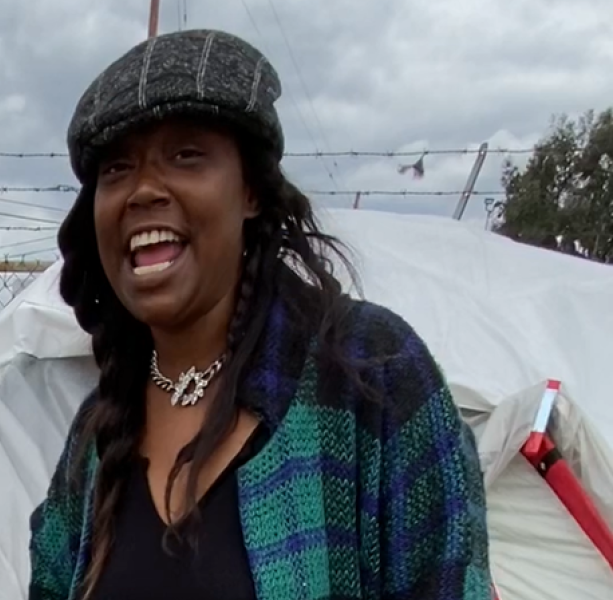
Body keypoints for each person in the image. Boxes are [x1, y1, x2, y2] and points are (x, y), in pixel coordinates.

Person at [28, 29, 492, 600]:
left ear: (250, 191)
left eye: (186, 155)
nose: (144, 190)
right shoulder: (98, 433)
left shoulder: (370, 375)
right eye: (116, 169)